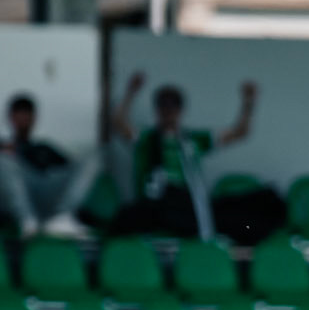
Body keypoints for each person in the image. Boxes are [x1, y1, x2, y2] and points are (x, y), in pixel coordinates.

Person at [109, 75, 285, 243]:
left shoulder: (193, 140)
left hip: (187, 205)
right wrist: (130, 93)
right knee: (127, 218)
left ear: (180, 110)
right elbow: (118, 124)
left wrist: (249, 103)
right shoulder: (146, 138)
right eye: (164, 106)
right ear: (157, 109)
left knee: (251, 207)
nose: (168, 111)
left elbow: (240, 132)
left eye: (173, 106)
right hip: (156, 205)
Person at [0, 93, 104, 237]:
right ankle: (27, 223)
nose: (23, 119)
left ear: (34, 118)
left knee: (94, 159)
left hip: (49, 195)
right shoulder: (3, 147)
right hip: (19, 198)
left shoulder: (44, 148)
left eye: (27, 114)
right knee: (4, 161)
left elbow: (72, 171)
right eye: (19, 114)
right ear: (11, 117)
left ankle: (62, 217)